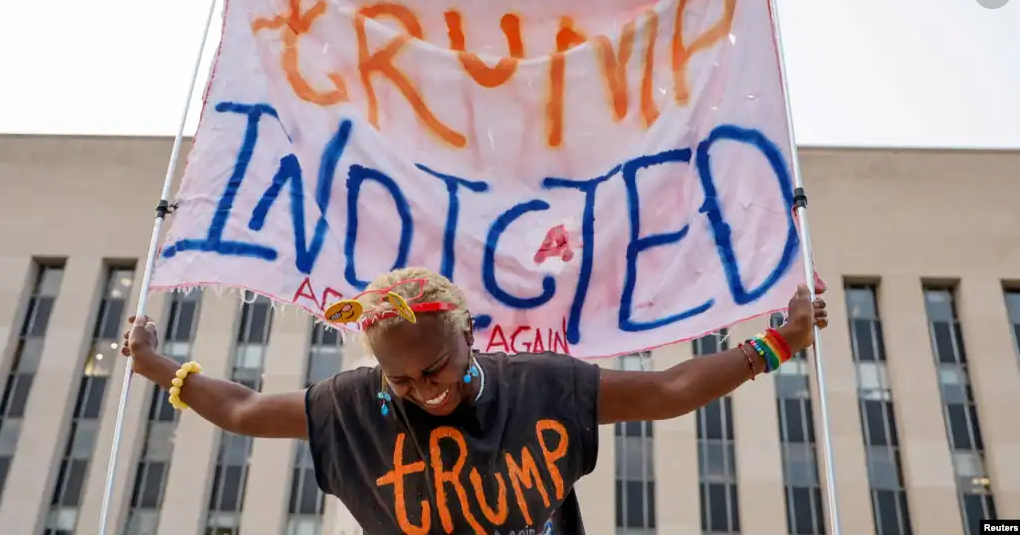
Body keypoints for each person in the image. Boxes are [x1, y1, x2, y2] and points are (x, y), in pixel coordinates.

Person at [122, 267, 828, 535]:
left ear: (471, 338)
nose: (424, 393)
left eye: (436, 371)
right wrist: (153, 363)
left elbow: (669, 391)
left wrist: (778, 344)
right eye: (400, 382)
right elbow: (243, 411)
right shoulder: (350, 404)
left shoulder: (543, 387)